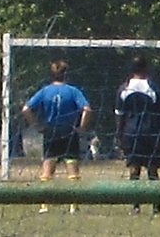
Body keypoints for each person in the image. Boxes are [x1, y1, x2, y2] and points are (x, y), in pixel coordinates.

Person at [22, 60, 92, 214]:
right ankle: (73, 205)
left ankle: (44, 205)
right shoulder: (73, 91)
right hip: (69, 131)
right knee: (72, 167)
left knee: (48, 168)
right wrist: (81, 127)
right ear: (66, 74)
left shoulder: (45, 91)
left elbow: (26, 109)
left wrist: (36, 125)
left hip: (51, 130)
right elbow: (87, 109)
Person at [115, 56, 160, 215]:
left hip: (131, 133)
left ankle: (135, 206)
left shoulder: (124, 88)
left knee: (134, 170)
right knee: (152, 171)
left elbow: (119, 115)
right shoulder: (153, 87)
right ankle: (156, 207)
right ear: (146, 68)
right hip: (150, 133)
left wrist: (119, 136)